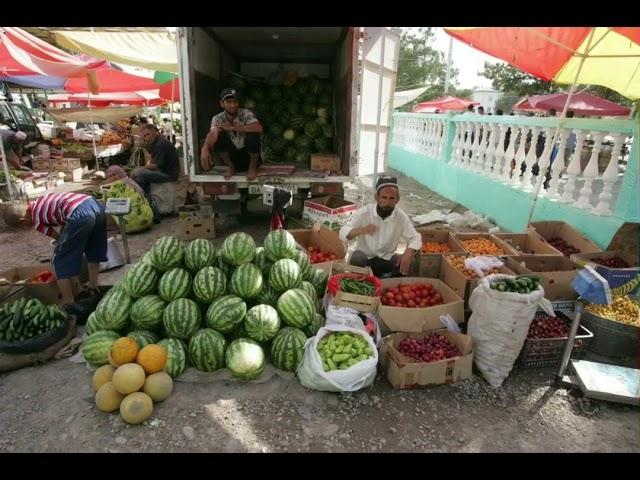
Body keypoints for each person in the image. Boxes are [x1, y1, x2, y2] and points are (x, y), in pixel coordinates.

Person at [18, 192, 107, 307]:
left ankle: (68, 302)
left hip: (79, 213)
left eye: (24, 226)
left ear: (23, 220)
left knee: (59, 259)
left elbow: (59, 239)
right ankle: (92, 288)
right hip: (95, 206)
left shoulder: (37, 221)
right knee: (92, 249)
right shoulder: (41, 200)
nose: (26, 227)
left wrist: (62, 245)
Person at [339, 176, 422, 278]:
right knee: (356, 257)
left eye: (392, 198)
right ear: (376, 197)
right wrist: (362, 230)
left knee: (404, 262)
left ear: (397, 200)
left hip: (386, 258)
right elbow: (342, 232)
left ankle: (389, 286)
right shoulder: (364, 213)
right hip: (365, 259)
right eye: (384, 197)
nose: (387, 202)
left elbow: (415, 237)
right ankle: (360, 285)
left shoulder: (400, 216)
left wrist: (408, 252)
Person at [200, 88, 264, 181]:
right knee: (219, 137)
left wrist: (234, 128)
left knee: (252, 135)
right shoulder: (217, 119)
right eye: (229, 102)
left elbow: (259, 128)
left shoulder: (245, 113)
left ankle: (252, 167)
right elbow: (213, 134)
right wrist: (205, 147)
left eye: (235, 102)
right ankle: (231, 166)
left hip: (249, 156)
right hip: (233, 157)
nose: (233, 105)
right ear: (222, 104)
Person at [132, 124, 180, 223]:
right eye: (144, 136)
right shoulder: (156, 142)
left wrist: (139, 169)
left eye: (148, 134)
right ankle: (146, 203)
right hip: (163, 171)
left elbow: (154, 166)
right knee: (139, 176)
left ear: (154, 131)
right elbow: (152, 162)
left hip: (169, 174)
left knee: (140, 175)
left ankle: (147, 204)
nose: (146, 138)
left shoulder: (161, 144)